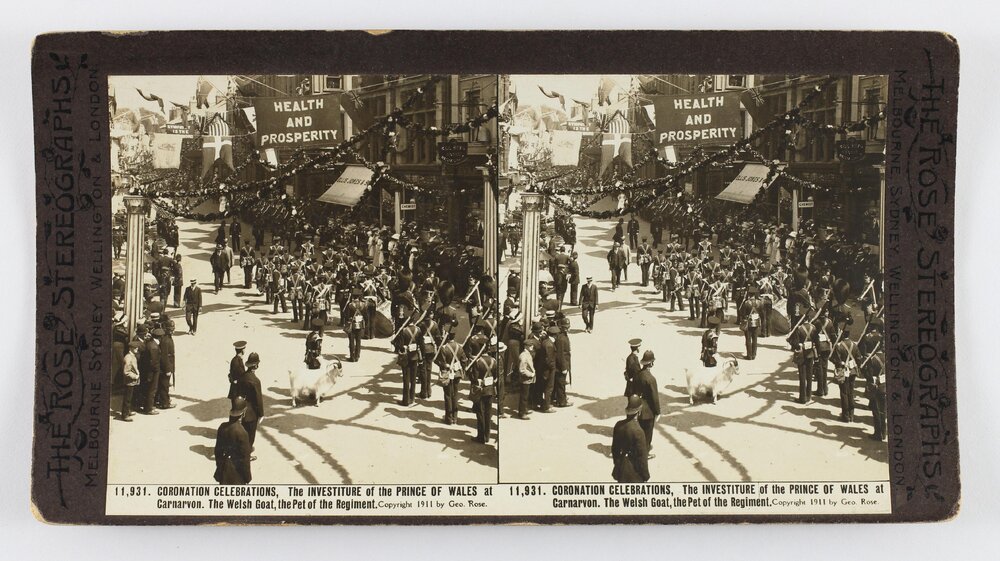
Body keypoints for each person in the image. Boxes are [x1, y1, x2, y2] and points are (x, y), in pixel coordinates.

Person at [626, 350, 660, 458]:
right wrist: (658, 412)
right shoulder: (651, 379)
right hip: (648, 411)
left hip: (637, 407)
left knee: (638, 432)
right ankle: (644, 454)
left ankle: (635, 451)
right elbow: (654, 398)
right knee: (647, 434)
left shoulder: (638, 375)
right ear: (651, 363)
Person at [229, 352, 264, 455]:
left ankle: (242, 450)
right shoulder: (256, 381)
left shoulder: (242, 376)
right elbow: (258, 399)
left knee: (242, 433)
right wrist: (261, 414)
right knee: (250, 435)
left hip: (241, 408)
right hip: (252, 413)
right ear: (256, 365)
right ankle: (246, 455)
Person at [611, 395, 651, 483]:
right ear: (639, 411)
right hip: (635, 474)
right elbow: (642, 457)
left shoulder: (618, 425)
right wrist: (645, 476)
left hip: (621, 469)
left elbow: (614, 449)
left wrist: (618, 464)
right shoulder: (638, 431)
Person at [214, 397, 253, 485]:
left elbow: (217, 451)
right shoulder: (242, 433)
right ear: (243, 413)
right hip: (238, 474)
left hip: (224, 471)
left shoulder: (222, 427)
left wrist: (220, 468)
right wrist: (247, 478)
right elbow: (245, 459)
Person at [156, 320, 176, 409]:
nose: (173, 330)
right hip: (166, 367)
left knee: (165, 384)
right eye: (171, 329)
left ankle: (164, 400)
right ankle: (165, 403)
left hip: (169, 364)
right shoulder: (166, 340)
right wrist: (168, 369)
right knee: (164, 385)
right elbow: (164, 356)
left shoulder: (167, 338)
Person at [119, 342, 141, 422]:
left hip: (132, 381)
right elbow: (126, 372)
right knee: (127, 398)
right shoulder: (128, 358)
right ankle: (125, 415)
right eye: (135, 348)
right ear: (131, 348)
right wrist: (135, 376)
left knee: (130, 397)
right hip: (129, 381)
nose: (137, 349)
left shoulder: (132, 356)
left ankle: (128, 411)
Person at [343, 290, 366, 362]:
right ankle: (357, 356)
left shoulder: (350, 305)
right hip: (360, 323)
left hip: (352, 324)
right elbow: (366, 315)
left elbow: (346, 315)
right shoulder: (363, 304)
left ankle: (352, 357)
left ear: (353, 296)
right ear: (359, 296)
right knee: (358, 341)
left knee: (351, 341)